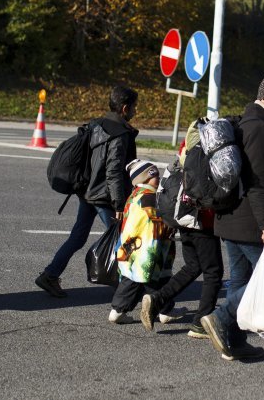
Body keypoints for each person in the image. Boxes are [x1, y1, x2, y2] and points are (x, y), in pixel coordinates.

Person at [200, 74, 264, 361]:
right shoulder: (259, 128)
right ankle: (221, 318)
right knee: (261, 280)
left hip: (230, 217)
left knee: (240, 281)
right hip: (250, 220)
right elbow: (258, 180)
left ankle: (234, 341)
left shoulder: (246, 122)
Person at [35, 85, 139, 298]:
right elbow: (114, 171)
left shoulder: (96, 124)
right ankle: (125, 288)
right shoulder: (119, 134)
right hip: (104, 196)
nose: (136, 111)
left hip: (87, 191)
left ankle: (50, 275)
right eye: (135, 107)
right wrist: (119, 204)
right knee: (122, 238)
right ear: (125, 108)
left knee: (78, 237)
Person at [139, 156, 224, 337]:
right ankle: (200, 323)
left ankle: (157, 299)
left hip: (182, 214)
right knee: (213, 272)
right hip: (201, 219)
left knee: (193, 266)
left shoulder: (188, 146)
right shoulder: (210, 147)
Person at [108, 159, 184, 324]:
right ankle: (164, 310)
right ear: (143, 179)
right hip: (150, 247)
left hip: (134, 247)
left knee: (133, 279)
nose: (158, 179)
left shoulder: (135, 195)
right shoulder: (149, 197)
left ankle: (118, 310)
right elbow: (160, 217)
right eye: (154, 176)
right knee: (155, 279)